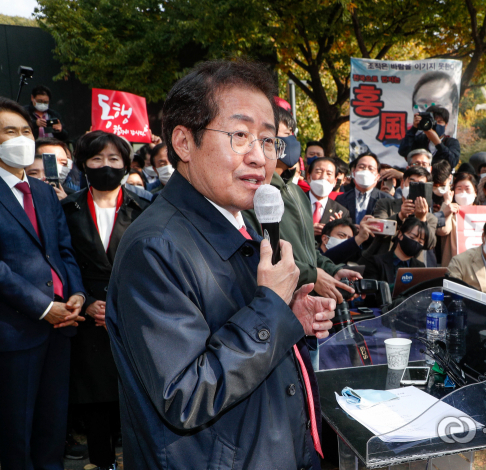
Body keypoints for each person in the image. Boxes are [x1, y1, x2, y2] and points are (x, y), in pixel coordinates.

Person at [106, 60, 337, 470]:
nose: (259, 156)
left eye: (268, 140)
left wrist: (289, 317)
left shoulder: (245, 219)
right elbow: (186, 394)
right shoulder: (155, 248)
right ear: (183, 142)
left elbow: (240, 329)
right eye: (240, 135)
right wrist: (270, 306)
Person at [0, 97, 85, 470]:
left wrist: (77, 294)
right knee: (16, 434)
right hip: (16, 331)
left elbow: (64, 251)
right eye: (8, 132)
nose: (20, 138)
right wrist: (43, 307)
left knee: (53, 427)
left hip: (61, 327)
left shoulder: (45, 193)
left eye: (25, 131)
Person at [61, 130, 150, 470]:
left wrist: (119, 306)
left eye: (114, 159)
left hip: (133, 318)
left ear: (127, 164)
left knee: (134, 398)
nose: (105, 166)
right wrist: (84, 301)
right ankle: (102, 464)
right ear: (83, 164)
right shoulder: (66, 210)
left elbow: (151, 266)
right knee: (96, 403)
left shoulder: (144, 207)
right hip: (87, 319)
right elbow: (61, 259)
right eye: (97, 159)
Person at [244, 106, 361, 308]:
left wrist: (332, 270)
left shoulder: (297, 193)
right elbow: (264, 252)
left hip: (309, 306)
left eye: (293, 135)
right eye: (287, 134)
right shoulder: (254, 193)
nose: (293, 142)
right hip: (277, 304)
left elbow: (309, 250)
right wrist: (313, 276)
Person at [370, 166, 438, 255]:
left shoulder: (430, 218)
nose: (414, 187)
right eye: (411, 183)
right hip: (382, 260)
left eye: (420, 185)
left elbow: (430, 245)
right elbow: (378, 231)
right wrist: (400, 216)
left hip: (411, 264)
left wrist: (422, 219)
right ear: (402, 184)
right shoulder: (385, 204)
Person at [362, 217, 427, 290]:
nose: (416, 243)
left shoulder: (420, 267)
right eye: (412, 237)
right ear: (400, 234)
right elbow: (371, 293)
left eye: (420, 242)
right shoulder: (375, 262)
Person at [336, 152, 392, 224]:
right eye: (361, 167)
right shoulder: (341, 199)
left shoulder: (387, 200)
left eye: (371, 168)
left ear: (377, 177)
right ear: (353, 172)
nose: (366, 171)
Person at [437, 172, 477, 267]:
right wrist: (446, 204)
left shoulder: (482, 214)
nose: (463, 192)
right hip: (453, 267)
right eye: (459, 189)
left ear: (475, 192)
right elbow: (442, 230)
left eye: (467, 188)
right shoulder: (449, 211)